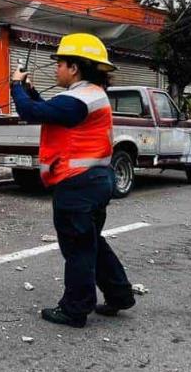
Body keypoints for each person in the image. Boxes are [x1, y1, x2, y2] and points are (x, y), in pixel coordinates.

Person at [11, 33, 135, 328]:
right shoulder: (88, 95)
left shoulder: (79, 99)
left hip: (78, 184)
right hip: (94, 182)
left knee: (78, 248)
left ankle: (75, 309)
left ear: (74, 68)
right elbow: (51, 113)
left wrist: (16, 86)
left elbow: (31, 112)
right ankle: (119, 295)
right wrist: (29, 90)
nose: (56, 70)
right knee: (92, 243)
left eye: (60, 64)